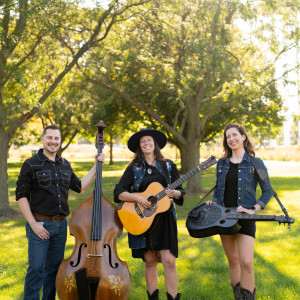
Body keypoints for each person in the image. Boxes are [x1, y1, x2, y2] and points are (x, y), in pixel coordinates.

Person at [15, 124, 105, 300]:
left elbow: (79, 187)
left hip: (61, 225)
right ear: (42, 139)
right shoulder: (30, 164)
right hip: (39, 225)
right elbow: (21, 196)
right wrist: (33, 224)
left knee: (54, 270)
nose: (53, 141)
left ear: (60, 141)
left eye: (56, 138)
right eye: (49, 137)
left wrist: (96, 166)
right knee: (36, 269)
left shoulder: (65, 164)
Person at [114, 129, 184, 300]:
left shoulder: (168, 165)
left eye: (149, 140)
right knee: (150, 261)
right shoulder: (134, 168)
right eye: (142, 141)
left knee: (169, 261)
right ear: (139, 146)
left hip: (165, 219)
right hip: (142, 220)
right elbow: (118, 192)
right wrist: (137, 198)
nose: (146, 143)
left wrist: (175, 194)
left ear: (155, 144)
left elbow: (181, 191)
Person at [206, 123, 272, 300]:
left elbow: (268, 191)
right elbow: (220, 189)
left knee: (246, 262)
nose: (231, 139)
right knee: (233, 260)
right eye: (228, 137)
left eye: (235, 135)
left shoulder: (256, 163)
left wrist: (254, 209)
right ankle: (238, 297)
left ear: (243, 137)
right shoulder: (222, 163)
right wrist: (215, 202)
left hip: (245, 217)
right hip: (224, 217)